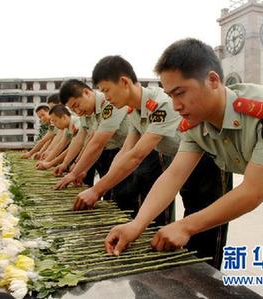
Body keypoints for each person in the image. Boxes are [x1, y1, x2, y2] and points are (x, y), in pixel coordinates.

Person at [105, 38, 263, 299]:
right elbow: (174, 175)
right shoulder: (195, 124)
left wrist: (186, 226)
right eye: (169, 96)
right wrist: (137, 225)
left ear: (212, 80)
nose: (175, 105)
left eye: (180, 92)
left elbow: (253, 192)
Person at [77, 55, 230, 265]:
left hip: (208, 161)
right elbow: (126, 153)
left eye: (106, 90)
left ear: (124, 82)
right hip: (180, 161)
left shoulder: (160, 104)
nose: (105, 96)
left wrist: (97, 190)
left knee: (208, 234)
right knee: (189, 219)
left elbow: (137, 156)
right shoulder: (133, 110)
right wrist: (103, 187)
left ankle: (211, 284)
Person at [53, 79, 140, 212]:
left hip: (137, 151)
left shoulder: (109, 104)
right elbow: (89, 139)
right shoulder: (90, 110)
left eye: (77, 105)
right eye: (72, 109)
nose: (77, 111)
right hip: (119, 152)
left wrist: (74, 172)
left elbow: (98, 143)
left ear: (87, 92)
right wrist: (79, 167)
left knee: (127, 197)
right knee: (113, 196)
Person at [35, 104, 80, 170]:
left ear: (64, 117)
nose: (54, 125)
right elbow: (61, 145)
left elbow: (72, 148)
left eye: (55, 121)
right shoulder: (67, 126)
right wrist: (45, 161)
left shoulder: (75, 124)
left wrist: (50, 164)